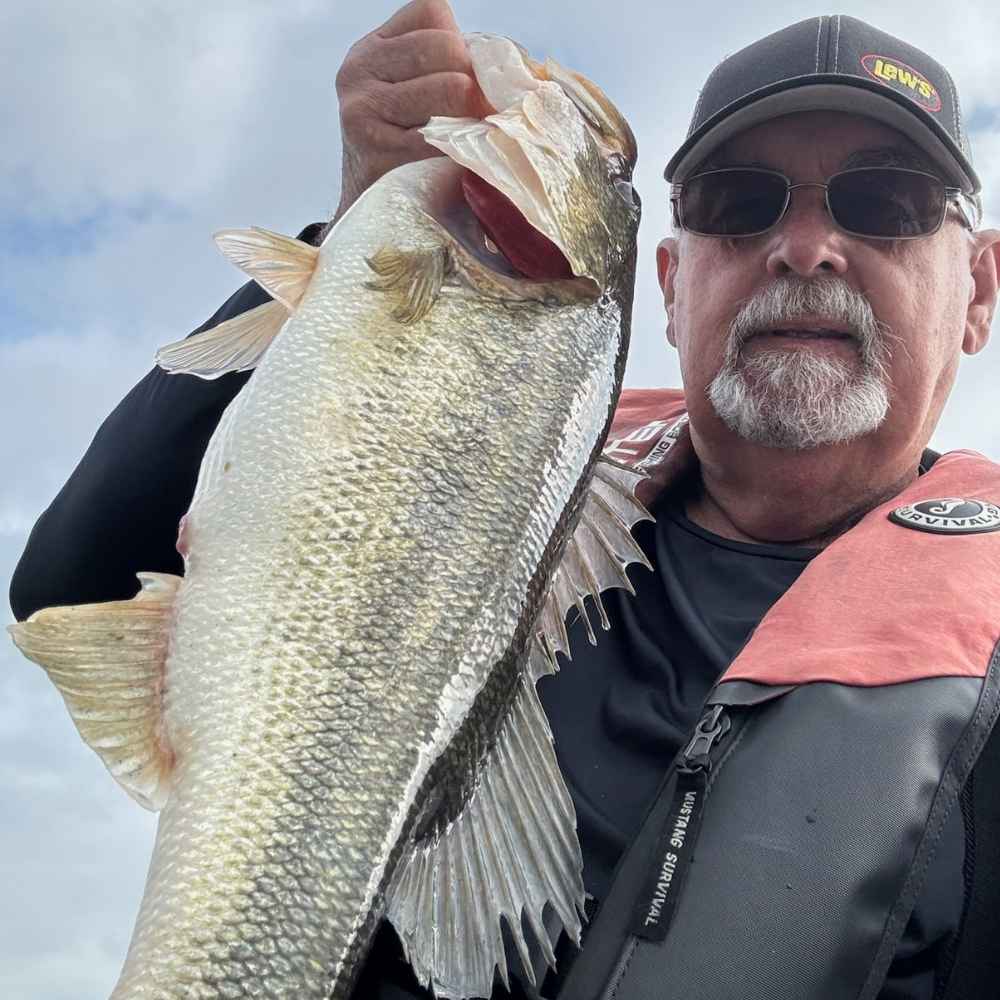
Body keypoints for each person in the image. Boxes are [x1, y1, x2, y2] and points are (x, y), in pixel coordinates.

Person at [10, 4, 1000, 999]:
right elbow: (70, 578)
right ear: (666, 282)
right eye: (739, 200)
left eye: (888, 200)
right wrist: (355, 240)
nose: (805, 246)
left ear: (979, 290)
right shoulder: (490, 452)